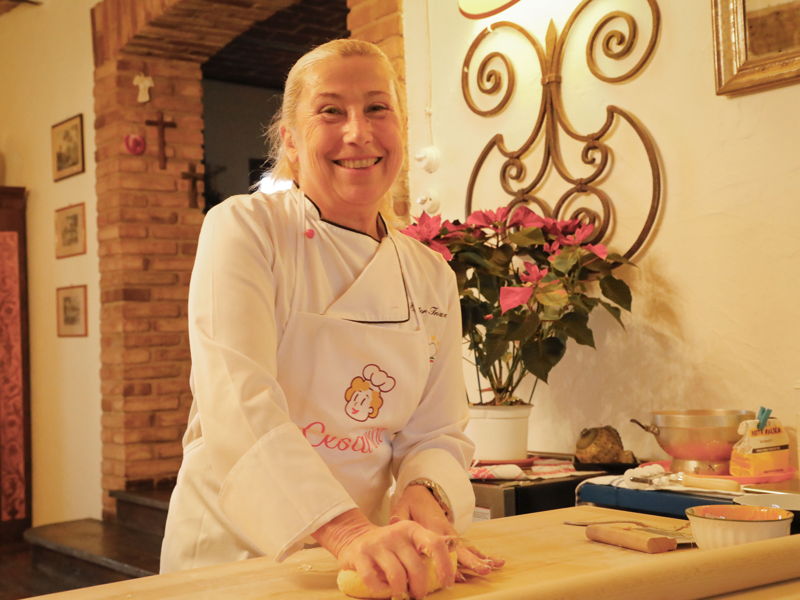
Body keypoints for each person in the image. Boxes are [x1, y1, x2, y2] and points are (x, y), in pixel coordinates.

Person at [160, 38, 503, 598]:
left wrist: (426, 496)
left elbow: (436, 429)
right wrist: (343, 531)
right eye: (330, 111)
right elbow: (236, 399)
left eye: (376, 108)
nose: (358, 132)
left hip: (370, 560)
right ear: (290, 140)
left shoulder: (430, 273)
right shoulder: (246, 229)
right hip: (239, 552)